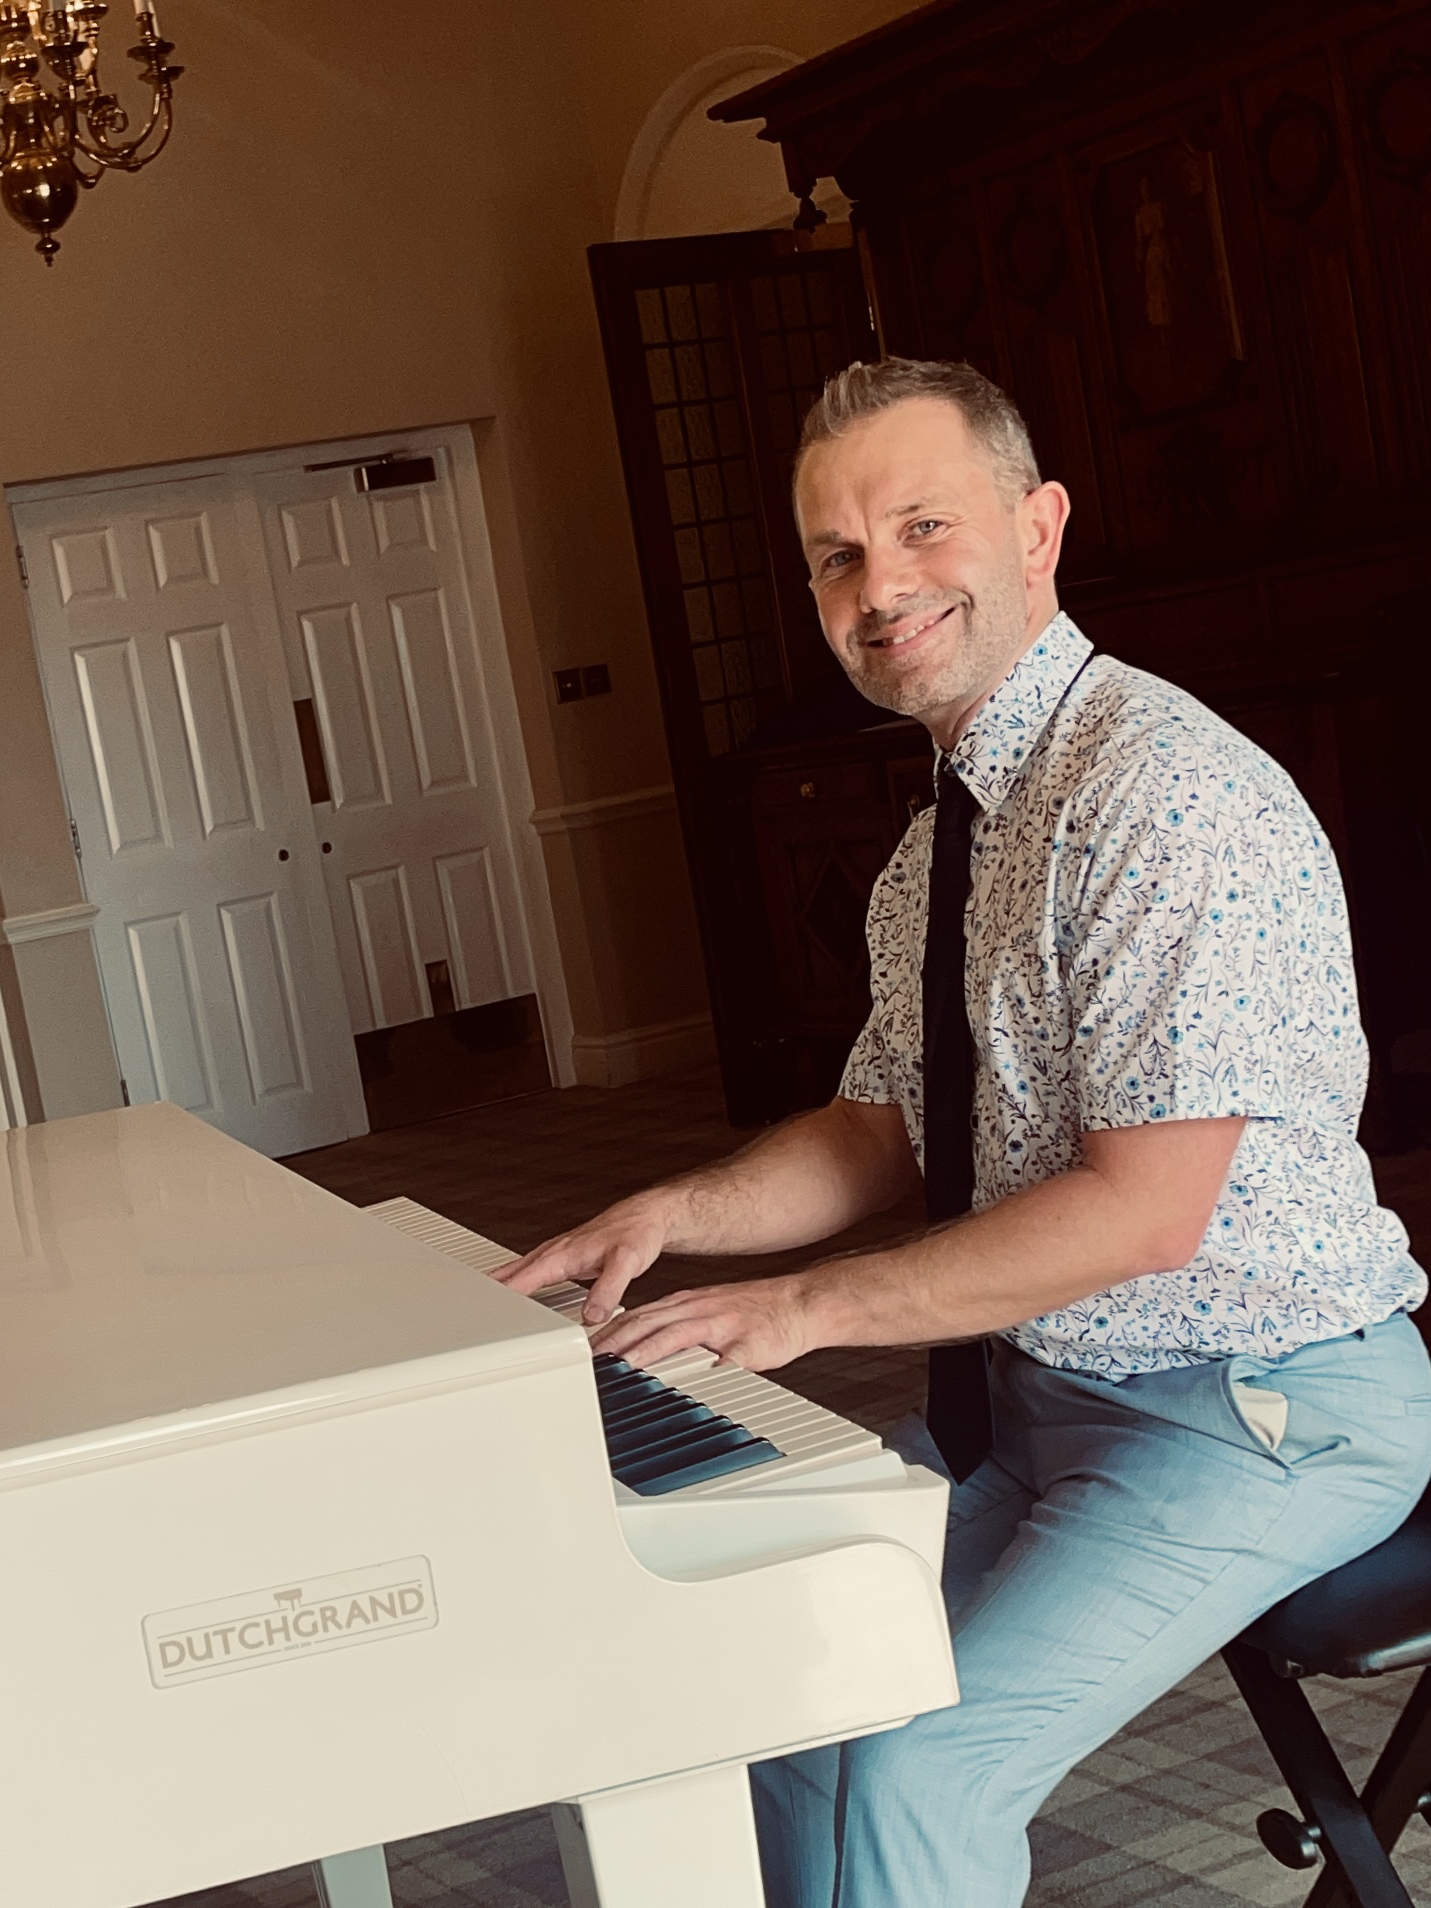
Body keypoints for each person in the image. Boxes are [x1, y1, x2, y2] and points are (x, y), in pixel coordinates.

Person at [496, 357, 1431, 1907]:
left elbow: (1143, 1216)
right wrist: (671, 1214)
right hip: (1051, 1394)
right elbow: (889, 1125)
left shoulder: (1161, 794)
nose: (883, 587)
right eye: (840, 556)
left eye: (925, 527)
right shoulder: (942, 839)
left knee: (927, 1757)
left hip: (1261, 1408)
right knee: (783, 1684)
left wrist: (801, 1308)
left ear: (1039, 528)